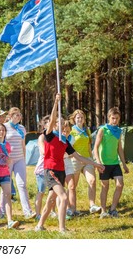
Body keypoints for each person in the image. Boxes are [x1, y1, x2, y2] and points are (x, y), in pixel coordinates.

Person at [35, 94, 104, 233]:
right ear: (54, 124)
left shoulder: (65, 141)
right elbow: (53, 117)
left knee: (50, 201)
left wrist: (95, 164)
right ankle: (62, 229)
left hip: (61, 171)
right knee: (64, 197)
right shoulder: (49, 135)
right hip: (51, 171)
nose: (60, 124)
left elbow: (79, 157)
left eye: (62, 122)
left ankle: (39, 226)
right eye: (58, 122)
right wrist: (56, 102)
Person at [93, 107, 129, 218]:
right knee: (105, 187)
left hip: (115, 163)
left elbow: (119, 149)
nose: (115, 120)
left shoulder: (119, 131)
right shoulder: (103, 130)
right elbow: (96, 147)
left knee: (120, 184)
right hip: (104, 164)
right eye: (113, 118)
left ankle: (112, 210)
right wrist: (98, 163)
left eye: (117, 118)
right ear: (109, 117)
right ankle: (103, 211)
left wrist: (123, 164)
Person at [0, 107, 35, 219]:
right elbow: (0, 143)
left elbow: (23, 144)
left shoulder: (22, 128)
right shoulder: (4, 127)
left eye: (20, 115)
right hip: (7, 161)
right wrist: (4, 158)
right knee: (6, 186)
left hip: (19, 159)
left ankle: (27, 211)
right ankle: (2, 211)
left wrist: (24, 159)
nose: (19, 116)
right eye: (17, 115)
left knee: (22, 185)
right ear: (10, 116)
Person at [69, 109, 102, 214]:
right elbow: (70, 147)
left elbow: (89, 146)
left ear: (84, 119)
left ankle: (92, 205)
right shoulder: (71, 131)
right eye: (77, 117)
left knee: (92, 181)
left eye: (81, 117)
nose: (80, 119)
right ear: (74, 119)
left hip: (87, 159)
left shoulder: (87, 130)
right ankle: (72, 208)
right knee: (73, 186)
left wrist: (92, 159)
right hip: (75, 160)